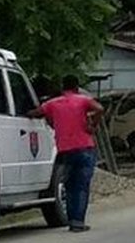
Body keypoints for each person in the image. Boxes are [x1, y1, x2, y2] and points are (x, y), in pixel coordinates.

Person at [27, 75, 105, 233]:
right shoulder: (83, 100)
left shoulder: (52, 103)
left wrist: (50, 122)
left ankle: (71, 221)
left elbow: (36, 113)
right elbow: (100, 109)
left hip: (65, 150)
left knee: (69, 186)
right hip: (85, 147)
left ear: (63, 87)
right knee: (81, 186)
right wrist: (92, 126)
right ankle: (78, 221)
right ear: (77, 87)